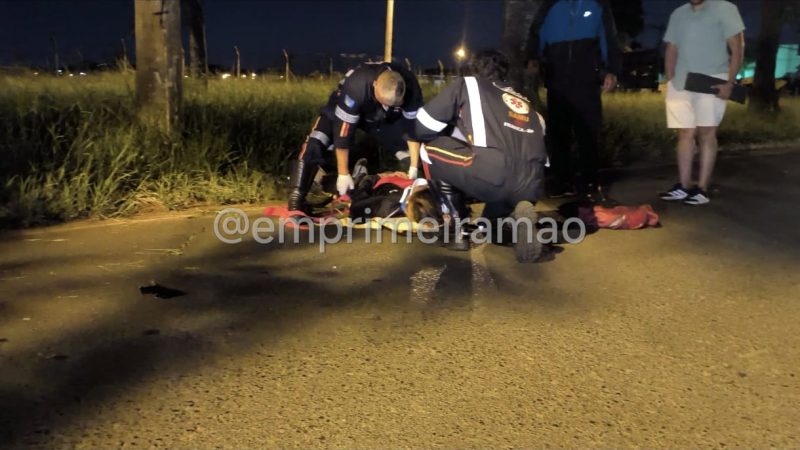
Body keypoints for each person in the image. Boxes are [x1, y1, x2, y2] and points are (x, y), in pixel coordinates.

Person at [410, 50, 548, 262]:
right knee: (487, 225)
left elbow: (423, 126)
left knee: (429, 149)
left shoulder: (470, 85)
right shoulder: (526, 103)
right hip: (533, 183)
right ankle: (504, 221)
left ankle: (457, 231)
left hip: (494, 173)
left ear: (473, 69)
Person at [287, 62, 423, 214]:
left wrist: (413, 167)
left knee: (407, 149)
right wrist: (343, 173)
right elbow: (343, 134)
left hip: (381, 117)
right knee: (318, 139)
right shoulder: (356, 85)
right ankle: (296, 198)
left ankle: (418, 191)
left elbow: (413, 131)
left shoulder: (411, 86)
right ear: (375, 84)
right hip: (345, 106)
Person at [526, 0, 622, 202]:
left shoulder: (598, 5)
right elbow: (536, 33)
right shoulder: (549, 6)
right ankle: (562, 182)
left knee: (588, 134)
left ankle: (590, 182)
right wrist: (532, 58)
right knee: (558, 135)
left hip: (587, 81)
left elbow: (609, 39)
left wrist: (611, 70)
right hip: (557, 80)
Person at [659, 0, 744, 206]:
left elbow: (737, 46)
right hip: (681, 81)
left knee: (707, 132)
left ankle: (702, 188)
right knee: (684, 133)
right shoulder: (678, 13)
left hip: (713, 80)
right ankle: (684, 185)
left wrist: (729, 82)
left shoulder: (725, 9)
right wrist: (670, 77)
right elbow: (672, 47)